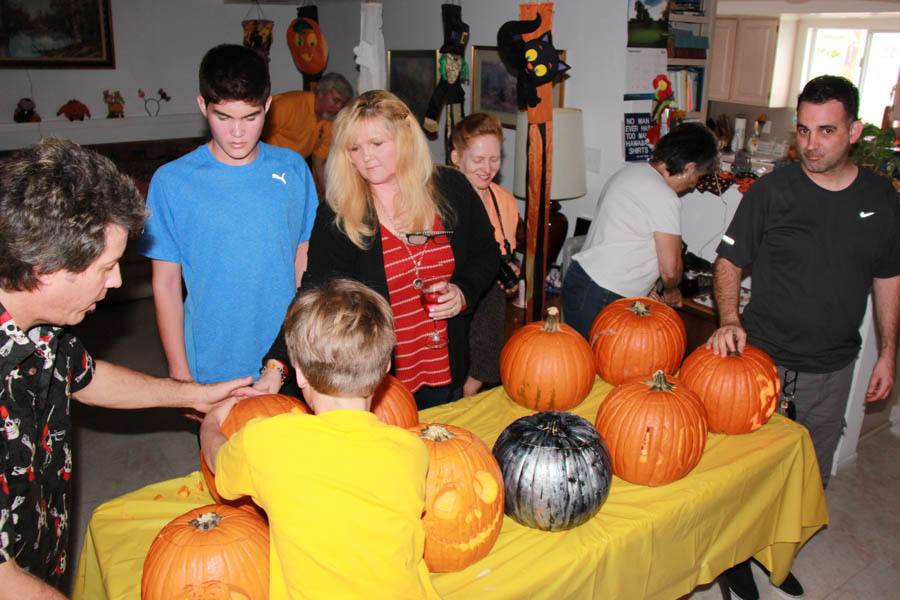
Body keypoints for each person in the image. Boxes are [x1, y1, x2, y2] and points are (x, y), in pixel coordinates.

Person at [0, 138, 251, 597]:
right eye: (108, 266)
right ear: (44, 270)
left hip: (41, 547)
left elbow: (83, 376)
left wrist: (189, 393)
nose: (116, 282)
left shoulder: (42, 324)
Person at [707, 75, 900, 600]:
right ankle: (735, 560)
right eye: (804, 130)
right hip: (762, 362)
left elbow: (888, 278)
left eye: (826, 131)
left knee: (807, 478)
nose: (810, 144)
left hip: (832, 369)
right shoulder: (772, 191)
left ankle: (775, 551)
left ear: (855, 131)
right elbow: (729, 261)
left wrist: (889, 354)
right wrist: (729, 319)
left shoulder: (881, 199)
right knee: (747, 474)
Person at [255, 90, 499, 409]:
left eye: (377, 144)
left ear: (404, 139)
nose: (365, 157)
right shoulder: (339, 215)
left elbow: (487, 254)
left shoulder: (452, 189)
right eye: (354, 148)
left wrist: (464, 292)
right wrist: (276, 366)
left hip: (446, 367)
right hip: (378, 382)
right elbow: (312, 296)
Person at [200, 279, 440, 599]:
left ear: (299, 374)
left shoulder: (270, 442)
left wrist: (210, 424)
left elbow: (218, 461)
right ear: (385, 368)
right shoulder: (411, 451)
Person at [138, 44, 318, 386]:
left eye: (251, 117)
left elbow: (304, 265)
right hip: (212, 361)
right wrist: (179, 374)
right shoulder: (172, 182)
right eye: (223, 117)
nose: (238, 133)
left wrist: (307, 349)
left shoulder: (293, 168)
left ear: (267, 106)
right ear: (202, 106)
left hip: (287, 357)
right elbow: (165, 283)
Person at [561, 122, 719, 339]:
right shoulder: (664, 196)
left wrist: (650, 285)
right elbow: (671, 269)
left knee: (580, 362)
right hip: (604, 293)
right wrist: (671, 290)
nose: (693, 185)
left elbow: (630, 239)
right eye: (698, 177)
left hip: (581, 280)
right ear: (690, 167)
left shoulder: (632, 172)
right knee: (598, 367)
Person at [450, 113, 520, 397]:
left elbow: (507, 252)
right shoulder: (439, 202)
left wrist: (512, 272)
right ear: (456, 157)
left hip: (489, 307)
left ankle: (467, 397)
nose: (487, 168)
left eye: (494, 159)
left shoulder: (505, 201)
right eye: (478, 160)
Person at [262, 72, 354, 196]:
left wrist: (329, 199)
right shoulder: (289, 104)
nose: (338, 108)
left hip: (289, 176)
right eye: (336, 100)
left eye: (342, 104)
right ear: (321, 93)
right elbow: (255, 136)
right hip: (265, 171)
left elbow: (320, 162)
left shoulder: (329, 122)